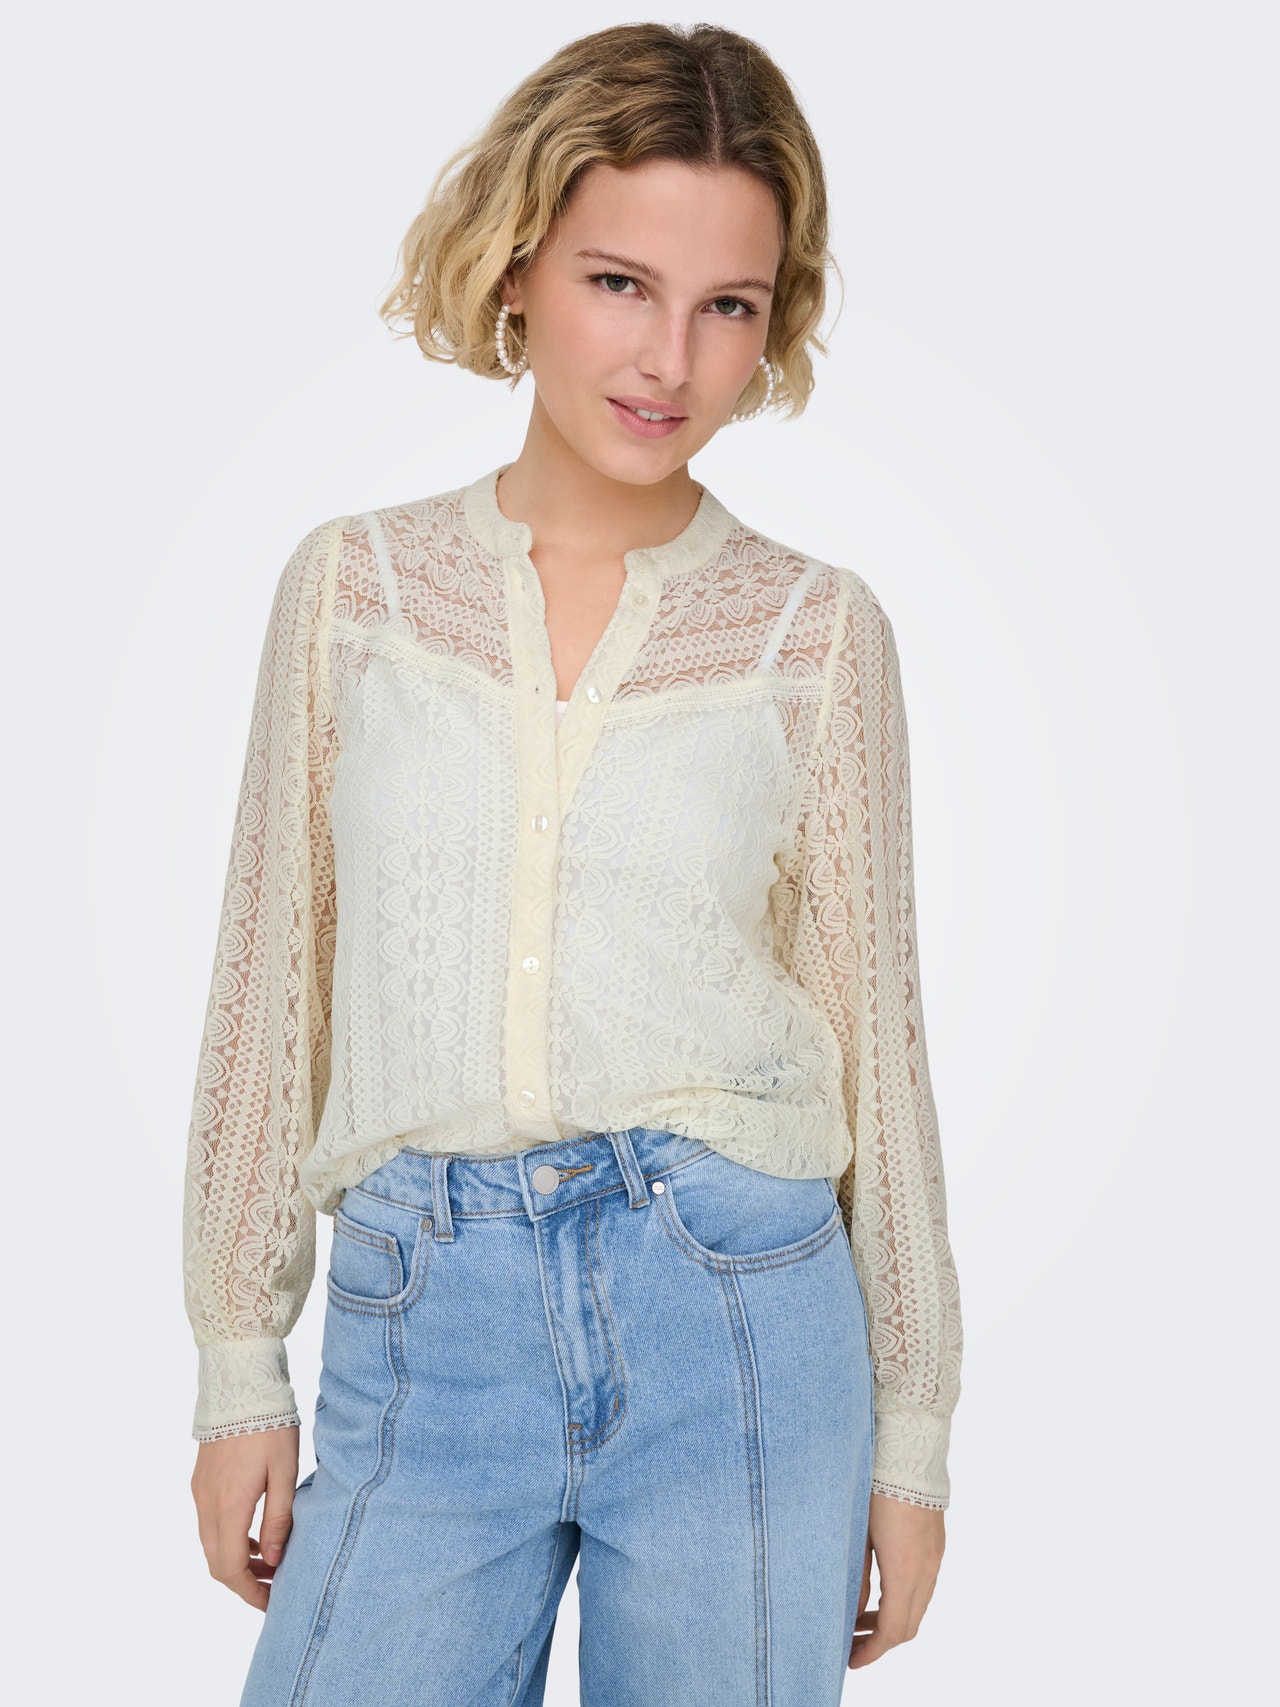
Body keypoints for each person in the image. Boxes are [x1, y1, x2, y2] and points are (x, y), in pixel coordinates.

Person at [184, 21, 963, 1705]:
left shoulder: (815, 635)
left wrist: (913, 1437)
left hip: (738, 1320)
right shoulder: (357, 595)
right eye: (621, 283)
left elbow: (881, 1052)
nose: (671, 358)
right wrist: (239, 1358)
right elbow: (269, 981)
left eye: (728, 305)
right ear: (518, 264)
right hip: (422, 1320)